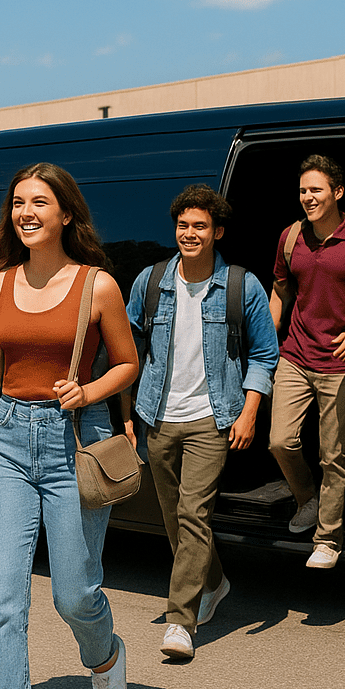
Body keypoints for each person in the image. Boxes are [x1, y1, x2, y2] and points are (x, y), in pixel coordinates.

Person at [0, 163, 139, 689]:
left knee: (74, 591)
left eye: (39, 202)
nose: (26, 212)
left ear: (65, 214)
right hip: (8, 438)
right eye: (17, 203)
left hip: (73, 437)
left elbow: (127, 363)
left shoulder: (98, 285)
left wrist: (88, 392)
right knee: (3, 595)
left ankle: (105, 654)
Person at [122, 185, 278, 660]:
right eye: (183, 225)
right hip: (156, 417)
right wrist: (125, 414)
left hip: (212, 417)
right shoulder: (150, 283)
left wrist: (250, 410)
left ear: (218, 232)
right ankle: (214, 580)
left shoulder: (240, 286)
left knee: (194, 514)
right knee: (174, 518)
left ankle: (179, 622)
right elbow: (128, 352)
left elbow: (264, 354)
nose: (190, 233)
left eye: (201, 226)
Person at [268, 155, 345, 569]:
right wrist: (267, 337)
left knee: (334, 454)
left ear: (338, 192)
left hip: (340, 361)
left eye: (316, 190)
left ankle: (328, 538)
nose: (308, 197)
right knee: (280, 441)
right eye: (302, 191)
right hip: (295, 354)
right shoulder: (290, 237)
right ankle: (307, 500)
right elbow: (280, 291)